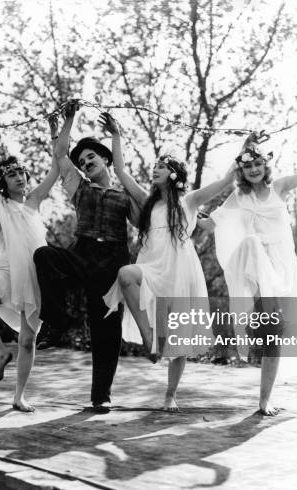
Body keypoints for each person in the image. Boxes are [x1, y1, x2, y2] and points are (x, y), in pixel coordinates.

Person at [210, 107, 297, 415]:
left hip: (281, 268)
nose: (253, 169)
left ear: (265, 167)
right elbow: (216, 223)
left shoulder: (279, 187)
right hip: (255, 266)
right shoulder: (238, 198)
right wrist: (183, 222)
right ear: (240, 170)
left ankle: (264, 399)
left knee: (275, 335)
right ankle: (249, 312)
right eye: (247, 165)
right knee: (251, 242)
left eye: (258, 164)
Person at [102, 113, 235, 411]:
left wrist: (246, 149)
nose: (155, 171)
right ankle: (150, 337)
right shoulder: (148, 202)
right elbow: (121, 172)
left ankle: (170, 394)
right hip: (151, 263)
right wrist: (116, 136)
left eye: (161, 167)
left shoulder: (189, 201)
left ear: (174, 174)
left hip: (179, 267)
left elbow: (226, 181)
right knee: (125, 275)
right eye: (154, 167)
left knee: (178, 340)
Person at [33, 100, 141, 414]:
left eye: (91, 156)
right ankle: (58, 320)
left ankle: (101, 396)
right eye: (82, 159)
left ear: (106, 160)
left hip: (113, 260)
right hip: (83, 253)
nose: (86, 161)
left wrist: (117, 136)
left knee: (106, 328)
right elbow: (60, 155)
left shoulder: (124, 194)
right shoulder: (80, 187)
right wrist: (67, 121)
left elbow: (143, 219)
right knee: (44, 256)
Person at [0, 117, 60, 412]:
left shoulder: (34, 200)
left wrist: (53, 131)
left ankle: (19, 395)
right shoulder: (2, 206)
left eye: (22, 173)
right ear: (4, 182)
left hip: (34, 274)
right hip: (8, 271)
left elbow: (57, 168)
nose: (20, 177)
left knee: (27, 340)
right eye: (12, 175)